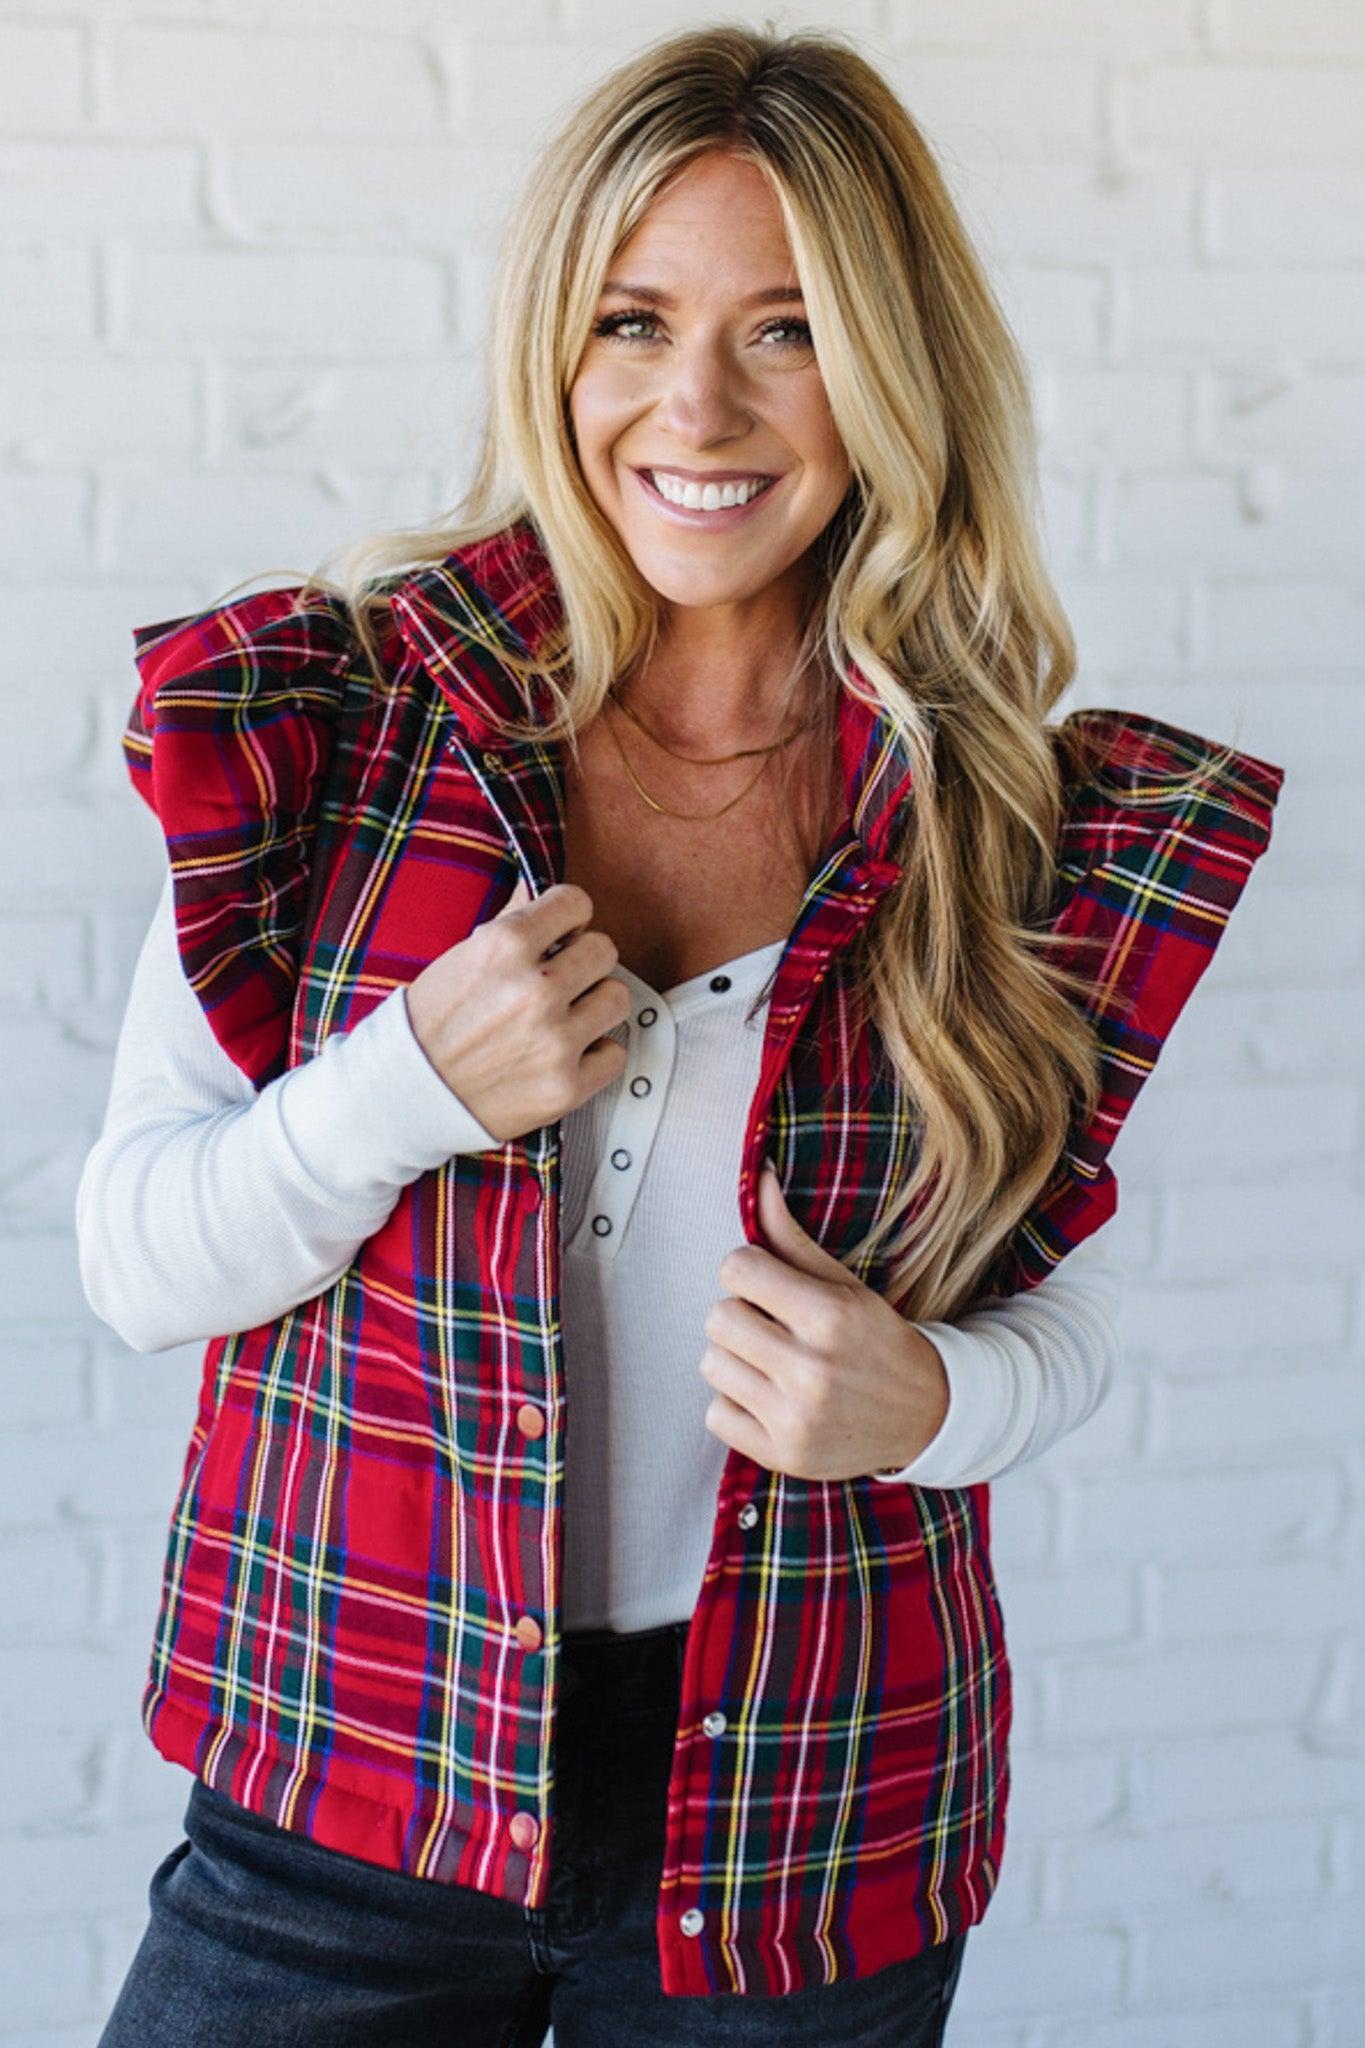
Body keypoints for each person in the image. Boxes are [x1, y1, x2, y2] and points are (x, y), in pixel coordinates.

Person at [76, 25, 1284, 2047]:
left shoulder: (1014, 822)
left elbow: (1063, 1327)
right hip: (349, 1779)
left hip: (804, 1821)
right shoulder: (342, 722)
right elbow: (130, 1259)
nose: (693, 405)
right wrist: (391, 1095)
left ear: (889, 366)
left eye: (787, 331)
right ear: (555, 341)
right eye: (632, 319)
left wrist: (926, 1410)